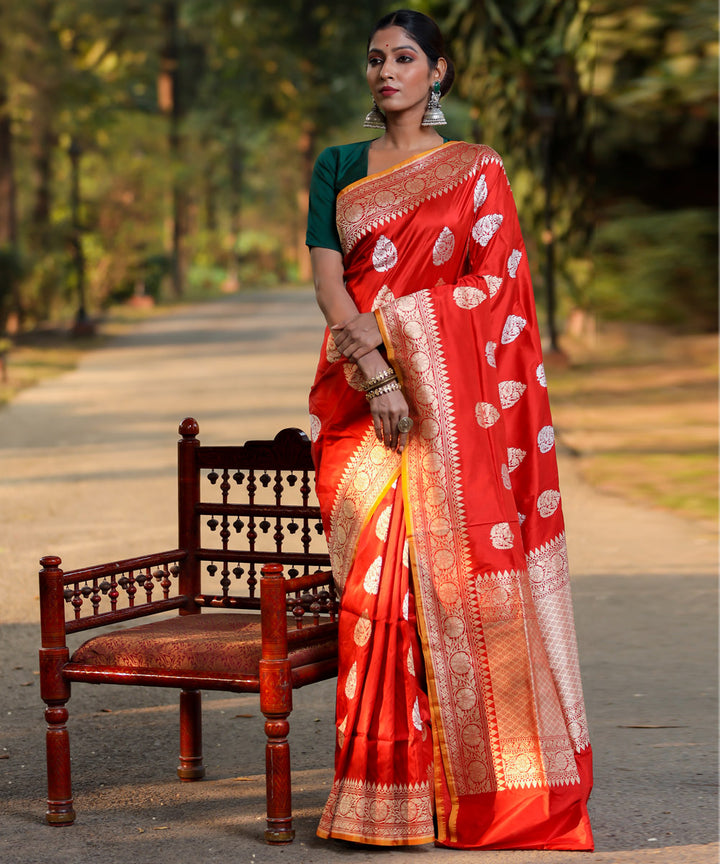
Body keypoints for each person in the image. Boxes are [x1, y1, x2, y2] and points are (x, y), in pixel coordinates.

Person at [305, 8, 593, 850]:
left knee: (461, 591)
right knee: (376, 599)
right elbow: (331, 285)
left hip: (455, 413)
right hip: (359, 407)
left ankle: (473, 796)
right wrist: (379, 370)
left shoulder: (476, 172)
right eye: (374, 60)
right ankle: (379, 799)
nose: (385, 72)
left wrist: (391, 328)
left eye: (403, 58)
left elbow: (496, 294)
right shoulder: (337, 167)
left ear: (439, 73)